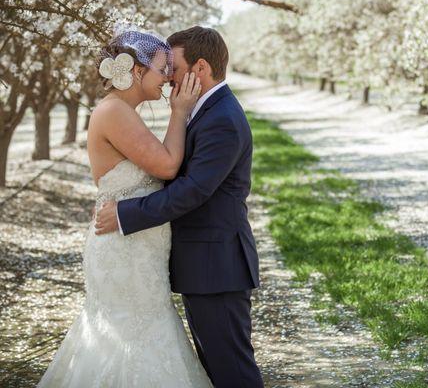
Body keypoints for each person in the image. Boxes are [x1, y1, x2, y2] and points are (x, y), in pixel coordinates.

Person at [37, 29, 213, 387]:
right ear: (136, 71)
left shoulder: (124, 110)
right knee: (130, 335)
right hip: (124, 250)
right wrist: (180, 113)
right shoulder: (115, 111)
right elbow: (165, 167)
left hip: (137, 248)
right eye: (162, 69)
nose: (168, 77)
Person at [94, 26, 263, 387]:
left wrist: (126, 214)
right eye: (165, 68)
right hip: (202, 267)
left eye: (176, 67)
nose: (170, 76)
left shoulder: (222, 120)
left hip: (217, 267)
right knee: (218, 369)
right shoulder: (207, 112)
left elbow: (192, 191)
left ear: (200, 69)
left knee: (233, 372)